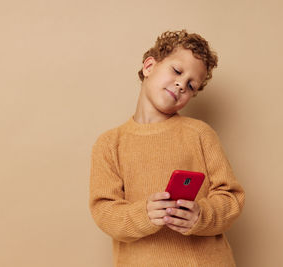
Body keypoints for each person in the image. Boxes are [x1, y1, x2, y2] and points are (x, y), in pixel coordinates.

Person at [89, 29, 245, 267]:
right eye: (177, 71)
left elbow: (231, 198)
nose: (182, 84)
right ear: (149, 66)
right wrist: (144, 214)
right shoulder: (110, 143)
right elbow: (104, 211)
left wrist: (201, 216)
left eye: (191, 85)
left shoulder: (200, 134)